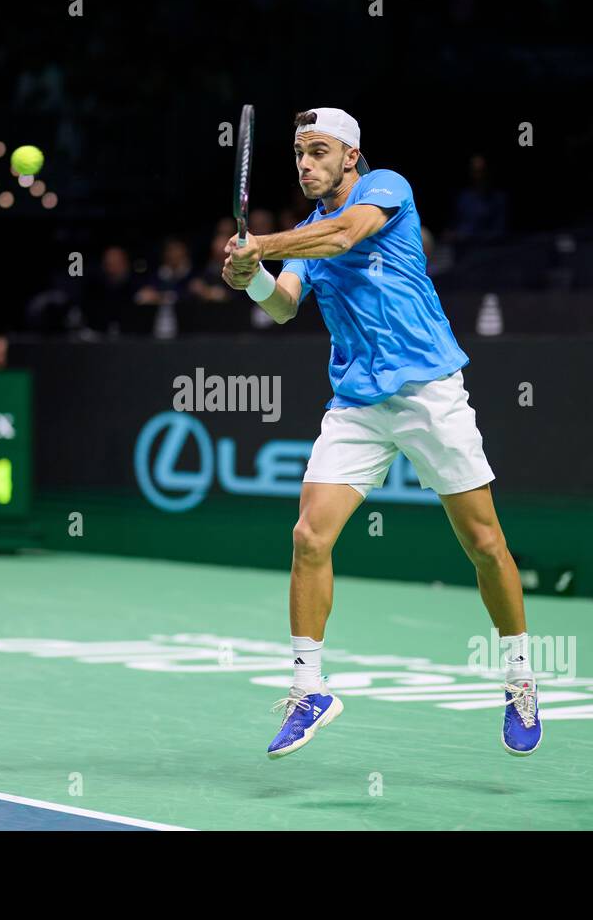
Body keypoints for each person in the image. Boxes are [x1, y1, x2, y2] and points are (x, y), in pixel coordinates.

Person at [224, 108, 540, 759]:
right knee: (309, 534)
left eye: (319, 151)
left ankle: (519, 677)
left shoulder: (386, 190)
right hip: (357, 404)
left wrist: (266, 246)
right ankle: (310, 688)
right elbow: (283, 306)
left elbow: (345, 237)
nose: (307, 163)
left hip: (430, 393)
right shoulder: (307, 230)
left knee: (484, 543)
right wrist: (250, 277)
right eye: (298, 154)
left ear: (351, 155)